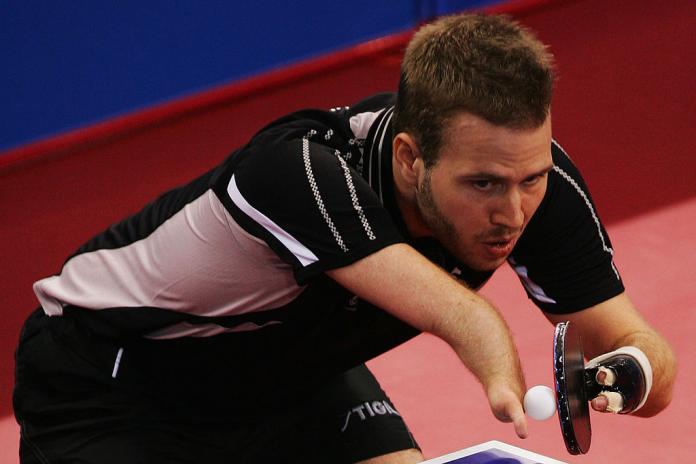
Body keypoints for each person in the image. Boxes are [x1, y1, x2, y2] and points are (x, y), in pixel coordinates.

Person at [14, 13, 676, 464]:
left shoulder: (535, 188)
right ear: (413, 158)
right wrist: (503, 381)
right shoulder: (298, 170)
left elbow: (644, 352)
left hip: (289, 375)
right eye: (483, 185)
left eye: (529, 178)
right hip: (111, 381)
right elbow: (460, 315)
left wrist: (628, 373)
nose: (514, 211)